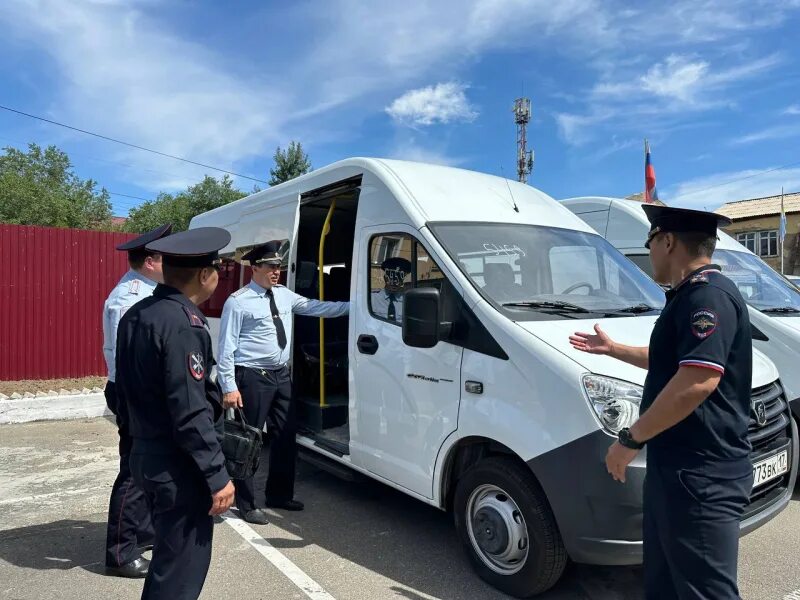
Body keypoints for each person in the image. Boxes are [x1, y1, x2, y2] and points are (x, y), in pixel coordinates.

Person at [569, 205, 754, 600]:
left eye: (649, 241)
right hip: (680, 471)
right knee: (666, 582)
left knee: (704, 591)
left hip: (702, 475)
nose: (649, 251)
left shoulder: (707, 297)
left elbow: (698, 380)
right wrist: (613, 349)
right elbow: (676, 361)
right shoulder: (688, 295)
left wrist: (630, 440)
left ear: (667, 241)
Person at [115, 227, 236, 600]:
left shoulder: (138, 313)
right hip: (177, 467)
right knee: (181, 574)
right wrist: (217, 476)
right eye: (217, 268)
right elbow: (189, 412)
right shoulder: (184, 324)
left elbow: (122, 391)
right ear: (205, 274)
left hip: (145, 455)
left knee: (167, 567)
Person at [217, 240, 349, 524]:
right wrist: (229, 386)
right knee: (249, 440)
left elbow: (317, 307)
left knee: (285, 436)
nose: (276, 272)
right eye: (270, 267)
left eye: (278, 267)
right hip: (252, 376)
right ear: (255, 268)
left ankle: (279, 494)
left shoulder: (284, 295)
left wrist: (356, 307)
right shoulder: (238, 301)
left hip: (281, 375)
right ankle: (247, 503)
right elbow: (226, 347)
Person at [102, 223, 171, 578]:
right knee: (132, 471)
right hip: (132, 392)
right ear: (150, 261)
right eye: (165, 257)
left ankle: (142, 534)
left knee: (146, 468)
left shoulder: (149, 291)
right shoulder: (129, 298)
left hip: (141, 391)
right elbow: (129, 360)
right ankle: (120, 552)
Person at [370, 256, 411, 322]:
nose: (394, 282)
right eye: (391, 278)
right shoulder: (372, 298)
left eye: (399, 278)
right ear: (385, 278)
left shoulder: (407, 302)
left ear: (402, 280)